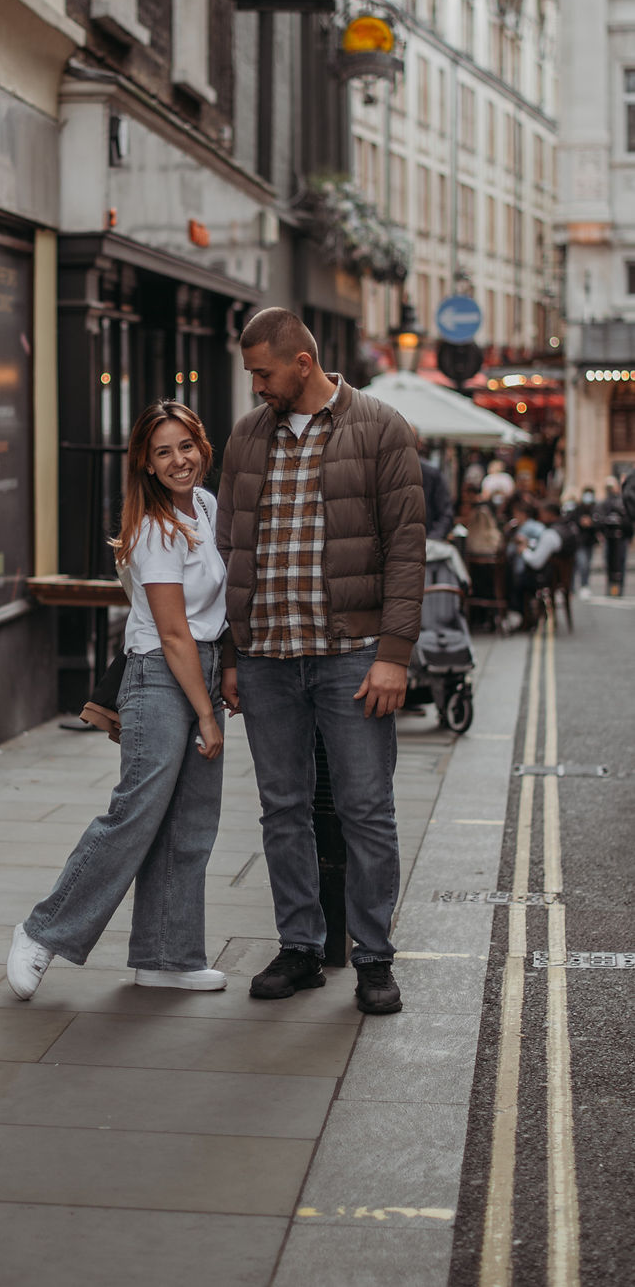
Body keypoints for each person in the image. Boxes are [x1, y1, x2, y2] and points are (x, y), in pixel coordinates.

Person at [216, 308, 425, 1016]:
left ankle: (372, 957)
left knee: (367, 809)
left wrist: (394, 654)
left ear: (301, 363)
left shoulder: (380, 426)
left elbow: (406, 548)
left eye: (263, 372)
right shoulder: (247, 436)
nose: (256, 385)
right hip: (269, 657)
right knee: (282, 809)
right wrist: (231, 653)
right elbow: (228, 550)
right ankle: (300, 946)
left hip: (351, 655)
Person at [6, 401, 231, 999]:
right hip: (161, 673)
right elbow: (174, 630)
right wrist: (206, 714)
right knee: (135, 813)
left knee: (190, 822)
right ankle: (41, 931)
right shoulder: (156, 527)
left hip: (200, 669)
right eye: (164, 452)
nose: (179, 460)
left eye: (186, 446)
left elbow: (215, 615)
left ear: (202, 447)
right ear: (146, 465)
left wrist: (221, 678)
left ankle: (167, 956)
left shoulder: (206, 507)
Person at [507, 499, 578, 627]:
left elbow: (536, 562)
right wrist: (530, 544)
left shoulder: (550, 534)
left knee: (515, 580)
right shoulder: (567, 528)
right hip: (559, 577)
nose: (539, 516)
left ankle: (527, 619)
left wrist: (524, 550)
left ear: (550, 514)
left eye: (542, 513)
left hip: (546, 579)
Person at [595, 476, 633, 597]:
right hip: (609, 538)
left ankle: (617, 588)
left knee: (619, 563)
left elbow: (629, 521)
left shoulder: (623, 503)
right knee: (610, 563)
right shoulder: (604, 503)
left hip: (621, 538)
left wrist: (629, 535)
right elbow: (599, 520)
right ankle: (612, 587)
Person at [567, 486, 599, 599]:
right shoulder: (577, 508)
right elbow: (570, 520)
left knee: (586, 565)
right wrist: (580, 522)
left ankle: (584, 586)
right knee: (581, 564)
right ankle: (573, 588)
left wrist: (591, 523)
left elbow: (600, 523)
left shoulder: (595, 508)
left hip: (589, 542)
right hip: (578, 542)